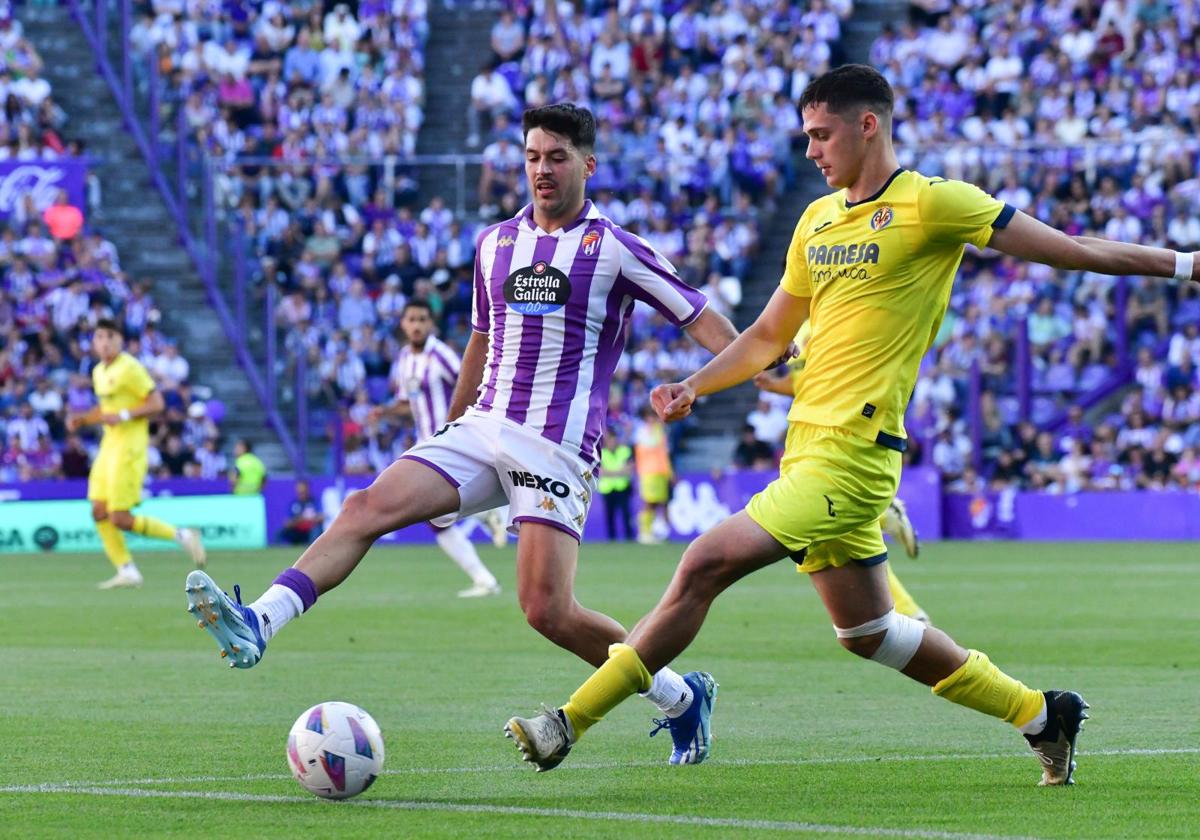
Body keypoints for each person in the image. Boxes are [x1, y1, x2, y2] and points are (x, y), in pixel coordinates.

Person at [497, 64, 1200, 785]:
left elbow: (1077, 251)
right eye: (806, 136)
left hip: (855, 457)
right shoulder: (817, 220)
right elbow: (769, 336)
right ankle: (1042, 715)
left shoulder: (934, 205)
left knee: (703, 563)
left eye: (820, 134)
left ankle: (568, 722)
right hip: (805, 452)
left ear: (869, 125)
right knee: (868, 634)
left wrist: (1184, 265)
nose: (810, 151)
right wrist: (695, 385)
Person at [183, 103, 743, 765]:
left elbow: (700, 316)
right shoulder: (496, 243)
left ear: (588, 165)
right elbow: (481, 339)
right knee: (364, 508)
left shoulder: (614, 248)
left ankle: (680, 697)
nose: (542, 169)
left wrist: (724, 377)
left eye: (557, 157)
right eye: (533, 156)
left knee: (547, 612)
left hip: (554, 446)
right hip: (479, 427)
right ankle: (260, 622)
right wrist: (447, 427)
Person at [754, 319, 928, 621]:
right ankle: (909, 611)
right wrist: (774, 386)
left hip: (840, 435)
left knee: (829, 533)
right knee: (844, 539)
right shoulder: (799, 329)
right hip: (809, 432)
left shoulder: (837, 317)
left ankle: (908, 611)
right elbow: (804, 384)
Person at [374, 299, 503, 598]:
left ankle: (485, 543)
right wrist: (385, 412)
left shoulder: (441, 354)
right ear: (403, 324)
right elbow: (410, 403)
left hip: (452, 441)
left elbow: (473, 382)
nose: (416, 325)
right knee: (435, 517)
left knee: (434, 513)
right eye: (411, 319)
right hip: (427, 444)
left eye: (422, 319)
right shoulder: (405, 358)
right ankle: (485, 531)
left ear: (431, 323)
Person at [66, 319, 205, 589]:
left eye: (110, 336)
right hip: (109, 445)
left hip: (130, 446)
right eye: (99, 337)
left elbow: (156, 402)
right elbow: (107, 410)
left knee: (120, 517)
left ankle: (183, 534)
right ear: (94, 342)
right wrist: (82, 420)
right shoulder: (98, 371)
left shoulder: (130, 367)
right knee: (98, 510)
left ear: (120, 340)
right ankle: (127, 570)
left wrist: (126, 414)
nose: (104, 342)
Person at [633, 405, 672, 544]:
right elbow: (651, 445)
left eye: (654, 416)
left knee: (661, 502)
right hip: (648, 471)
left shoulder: (659, 430)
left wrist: (669, 472)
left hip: (661, 471)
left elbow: (664, 453)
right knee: (648, 502)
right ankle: (644, 532)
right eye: (649, 416)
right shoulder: (642, 431)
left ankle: (658, 531)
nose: (652, 419)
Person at [598, 428, 634, 541]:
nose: (612, 442)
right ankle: (611, 539)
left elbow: (629, 469)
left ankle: (629, 539)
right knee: (610, 516)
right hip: (607, 489)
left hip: (622, 487)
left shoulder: (625, 450)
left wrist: (609, 473)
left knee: (626, 514)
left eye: (614, 440)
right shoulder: (601, 452)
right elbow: (600, 472)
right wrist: (619, 472)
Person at [279, 479, 323, 546]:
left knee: (316, 530)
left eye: (303, 491)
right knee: (280, 531)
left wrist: (307, 519)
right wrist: (298, 520)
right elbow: (287, 522)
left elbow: (321, 517)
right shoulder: (294, 503)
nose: (301, 493)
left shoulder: (314, 502)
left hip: (310, 529)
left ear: (307, 490)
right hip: (297, 529)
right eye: (299, 491)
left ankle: (312, 548)